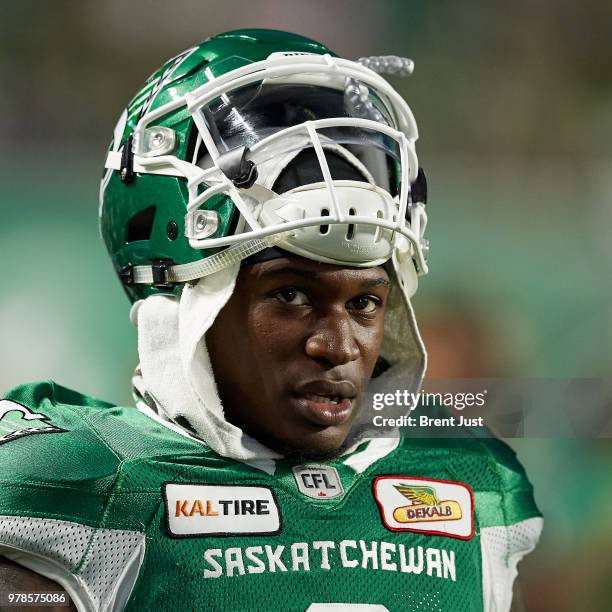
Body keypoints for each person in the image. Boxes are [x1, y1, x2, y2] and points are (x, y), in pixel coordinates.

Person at [0, 29, 542, 612]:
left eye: (364, 302)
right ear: (187, 304)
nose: (338, 346)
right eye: (291, 295)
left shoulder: (476, 488)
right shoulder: (84, 486)